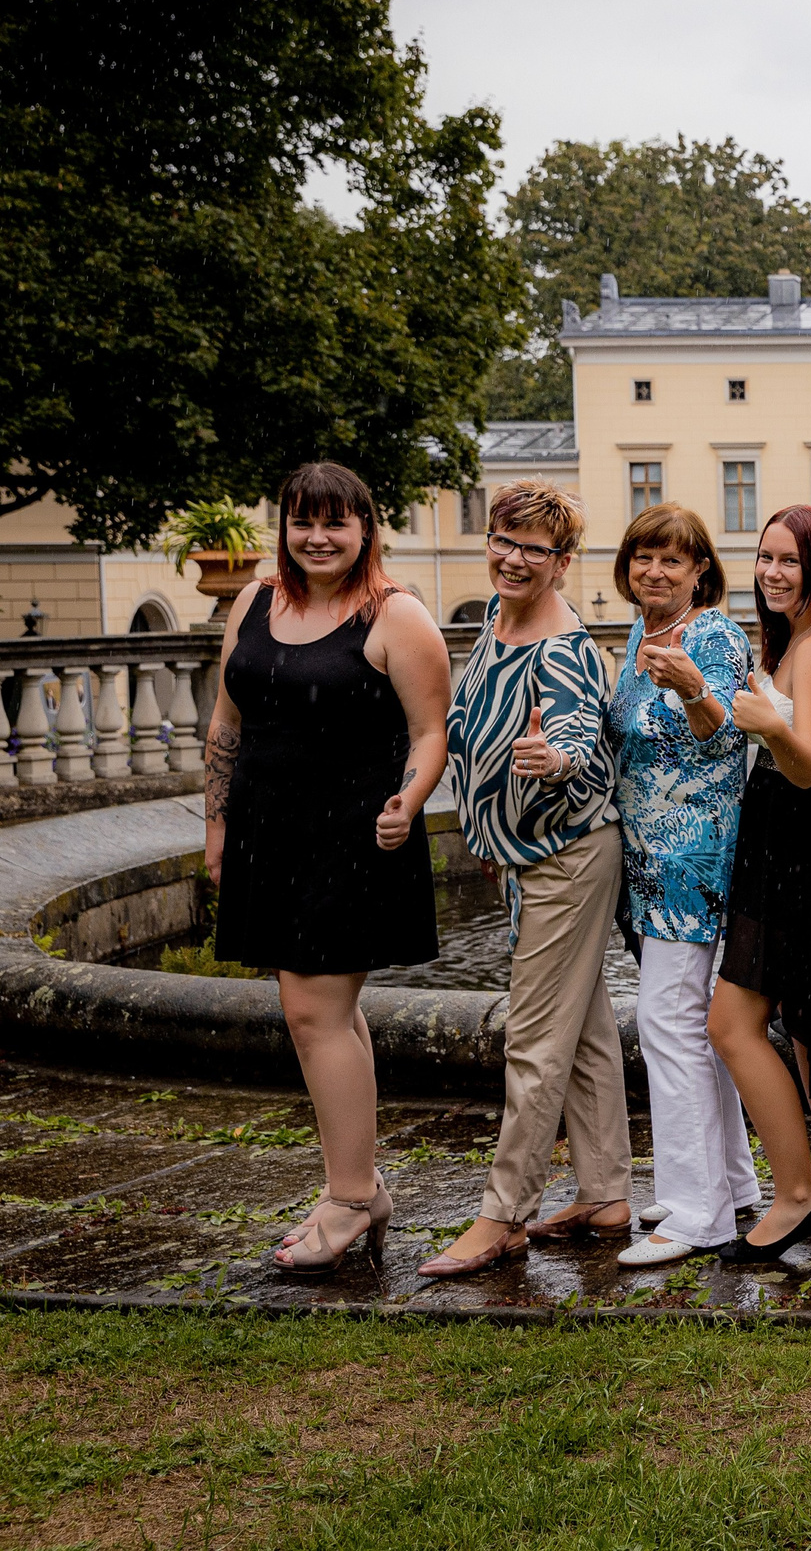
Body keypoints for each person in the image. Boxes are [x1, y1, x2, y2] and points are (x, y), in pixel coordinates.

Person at [207, 462, 448, 1275]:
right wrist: (216, 828)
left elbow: (429, 732)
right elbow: (225, 724)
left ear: (364, 527)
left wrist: (410, 802)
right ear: (284, 526)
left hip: (353, 838)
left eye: (335, 523)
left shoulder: (396, 615)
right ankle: (361, 1188)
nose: (317, 538)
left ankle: (347, 1199)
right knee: (327, 1018)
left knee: (315, 1015)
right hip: (265, 836)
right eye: (303, 522)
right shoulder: (253, 601)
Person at [420, 482, 628, 1278]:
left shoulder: (565, 650)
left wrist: (559, 757)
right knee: (583, 1031)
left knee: (534, 1040)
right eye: (504, 539)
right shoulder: (494, 625)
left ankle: (502, 1214)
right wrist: (488, 828)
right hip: (525, 854)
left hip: (569, 857)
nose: (511, 557)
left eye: (532, 548)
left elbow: (576, 731)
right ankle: (607, 1193)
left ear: (563, 563)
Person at [711, 505, 811, 1263]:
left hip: (799, 836)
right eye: (764, 558)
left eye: (790, 561)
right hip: (801, 837)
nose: (771, 573)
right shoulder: (810, 642)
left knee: (732, 1026)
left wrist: (766, 725)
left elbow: (807, 763)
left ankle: (796, 1197)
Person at [603, 503, 761, 1268]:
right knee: (691, 1023)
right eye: (643, 557)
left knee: (668, 1023)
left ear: (701, 569)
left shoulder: (713, 637)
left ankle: (698, 1213)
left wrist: (698, 687)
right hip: (648, 862)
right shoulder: (641, 633)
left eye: (672, 560)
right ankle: (728, 1184)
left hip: (696, 860)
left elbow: (728, 732)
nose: (655, 571)